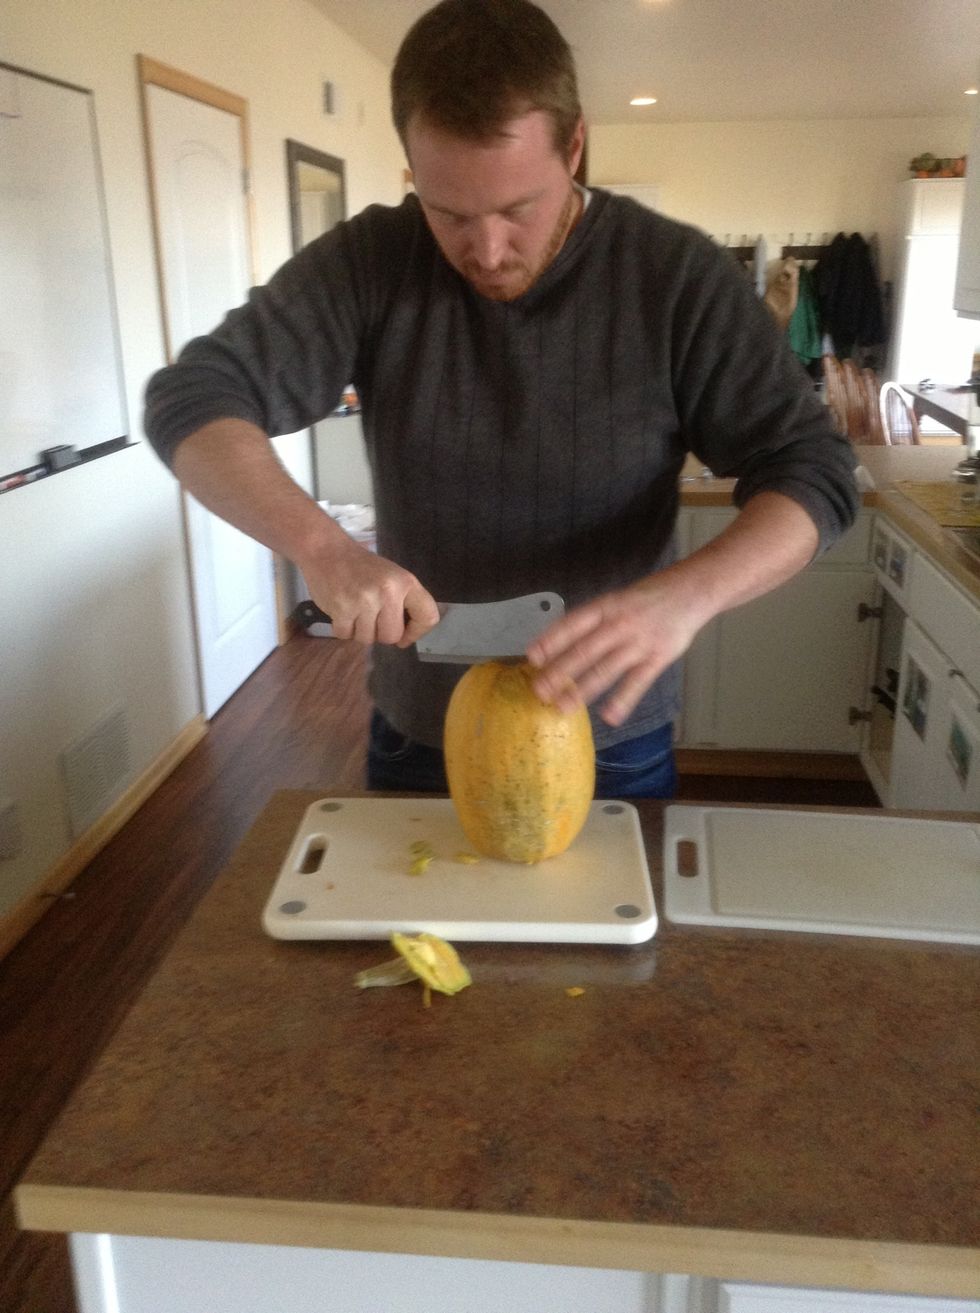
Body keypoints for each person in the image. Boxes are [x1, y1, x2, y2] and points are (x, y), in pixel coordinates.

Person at [144, 0, 859, 799]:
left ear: (575, 145)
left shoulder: (675, 277)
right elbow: (192, 397)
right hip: (423, 728)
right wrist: (322, 545)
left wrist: (684, 598)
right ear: (412, 165)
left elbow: (813, 469)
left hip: (608, 736)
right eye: (448, 212)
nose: (485, 252)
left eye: (519, 209)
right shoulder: (374, 260)